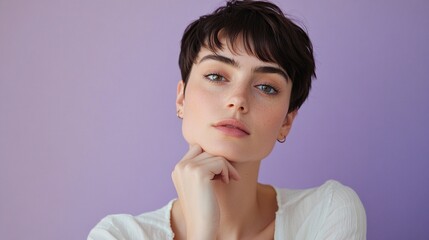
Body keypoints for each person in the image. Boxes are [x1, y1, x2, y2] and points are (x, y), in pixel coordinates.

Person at [88, 0, 367, 239]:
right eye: (216, 76)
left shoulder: (326, 213)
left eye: (266, 87)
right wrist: (202, 230)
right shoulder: (118, 234)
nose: (238, 100)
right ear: (181, 98)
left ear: (287, 121)